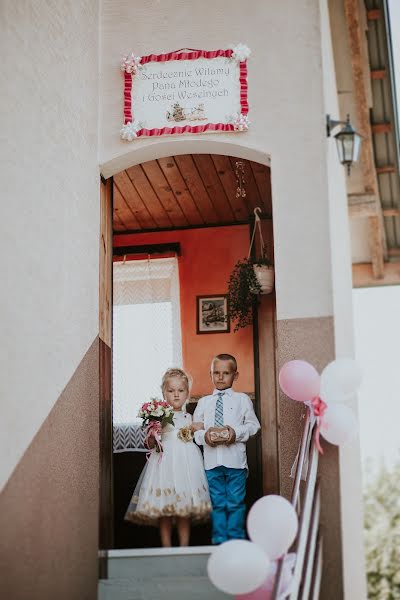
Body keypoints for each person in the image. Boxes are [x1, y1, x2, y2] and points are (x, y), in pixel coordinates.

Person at [125, 368, 211, 547]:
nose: (176, 395)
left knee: (184, 509)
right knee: (164, 508)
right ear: (164, 393)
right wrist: (153, 434)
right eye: (171, 391)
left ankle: (184, 547)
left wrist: (195, 428)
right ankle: (166, 547)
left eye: (181, 391)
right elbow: (150, 444)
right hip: (164, 465)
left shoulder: (189, 417)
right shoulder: (160, 417)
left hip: (185, 465)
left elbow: (193, 436)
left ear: (187, 393)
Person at [193, 354, 260, 544]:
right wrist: (204, 436)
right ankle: (220, 541)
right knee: (217, 503)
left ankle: (236, 540)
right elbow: (196, 431)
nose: (220, 377)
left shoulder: (242, 400)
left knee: (235, 503)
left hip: (235, 462)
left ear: (235, 375)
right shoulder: (203, 402)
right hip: (212, 463)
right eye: (216, 373)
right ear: (210, 374)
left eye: (226, 373)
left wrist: (235, 433)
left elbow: (253, 426)